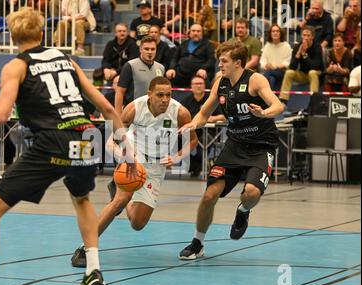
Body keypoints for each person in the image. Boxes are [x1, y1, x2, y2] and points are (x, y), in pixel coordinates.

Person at [0, 7, 135, 285]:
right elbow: (106, 108)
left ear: (13, 37)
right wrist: (127, 151)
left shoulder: (16, 65)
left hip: (52, 140)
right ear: (42, 33)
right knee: (82, 198)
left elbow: (0, 116)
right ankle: (93, 271)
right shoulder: (65, 59)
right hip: (86, 136)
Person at [70, 76, 198, 267]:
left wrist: (178, 157)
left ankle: (120, 193)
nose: (165, 99)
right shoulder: (134, 108)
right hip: (133, 158)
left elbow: (193, 141)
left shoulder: (180, 113)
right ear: (150, 95)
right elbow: (111, 141)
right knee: (120, 201)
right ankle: (84, 249)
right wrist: (124, 157)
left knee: (138, 224)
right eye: (160, 95)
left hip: (156, 168)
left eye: (168, 95)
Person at [177, 41, 285, 260]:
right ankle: (197, 243)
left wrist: (264, 113)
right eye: (219, 60)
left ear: (238, 63)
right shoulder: (220, 83)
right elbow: (204, 112)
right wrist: (194, 123)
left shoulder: (255, 80)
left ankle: (243, 212)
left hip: (261, 146)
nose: (220, 65)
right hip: (235, 145)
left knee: (251, 193)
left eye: (224, 61)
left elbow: (278, 106)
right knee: (209, 195)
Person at [181, 75, 226, 177]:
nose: (198, 86)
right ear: (191, 87)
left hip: (210, 132)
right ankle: (195, 166)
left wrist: (213, 118)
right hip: (192, 131)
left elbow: (224, 116)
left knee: (203, 144)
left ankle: (198, 166)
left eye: (201, 84)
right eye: (196, 84)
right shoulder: (186, 101)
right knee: (178, 141)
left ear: (204, 86)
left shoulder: (211, 99)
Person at [115, 36, 165, 115]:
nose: (150, 52)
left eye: (153, 49)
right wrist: (117, 115)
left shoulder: (161, 68)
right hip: (133, 113)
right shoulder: (130, 65)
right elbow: (120, 92)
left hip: (154, 113)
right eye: (146, 49)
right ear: (140, 50)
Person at [279, 26, 324, 105]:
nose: (306, 37)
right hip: (303, 74)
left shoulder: (317, 47)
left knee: (312, 72)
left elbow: (315, 66)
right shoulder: (298, 46)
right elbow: (292, 67)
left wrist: (304, 55)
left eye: (308, 35)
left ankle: (314, 102)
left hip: (317, 74)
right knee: (289, 72)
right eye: (304, 35)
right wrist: (298, 53)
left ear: (312, 37)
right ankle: (283, 101)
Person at [166, 24, 216, 88]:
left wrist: (204, 68)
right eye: (193, 31)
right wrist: (171, 68)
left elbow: (212, 59)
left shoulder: (208, 45)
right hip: (181, 72)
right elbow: (175, 58)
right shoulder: (184, 43)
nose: (195, 33)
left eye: (198, 31)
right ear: (189, 32)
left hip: (198, 73)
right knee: (169, 75)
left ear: (202, 33)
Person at [260, 24, 292, 90]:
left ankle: (265, 96)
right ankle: (271, 97)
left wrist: (275, 67)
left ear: (281, 33)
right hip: (270, 72)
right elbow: (262, 61)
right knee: (271, 78)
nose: (275, 33)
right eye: (273, 31)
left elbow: (287, 63)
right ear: (270, 34)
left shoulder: (286, 46)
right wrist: (266, 65)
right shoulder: (267, 46)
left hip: (282, 72)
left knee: (268, 73)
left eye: (277, 31)